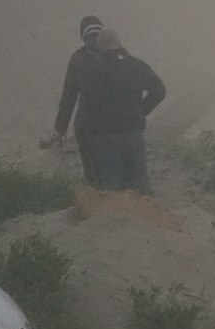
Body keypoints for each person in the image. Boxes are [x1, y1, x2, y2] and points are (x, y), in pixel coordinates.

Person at [83, 30, 165, 194]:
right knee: (139, 182)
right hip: (134, 130)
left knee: (112, 186)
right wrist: (140, 111)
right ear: (119, 43)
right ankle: (146, 215)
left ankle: (117, 216)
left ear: (100, 47)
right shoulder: (137, 65)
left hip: (106, 135)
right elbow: (159, 90)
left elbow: (88, 104)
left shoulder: (95, 71)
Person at [46, 15, 106, 183]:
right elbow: (69, 95)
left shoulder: (116, 54)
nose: (94, 40)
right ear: (83, 38)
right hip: (87, 124)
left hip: (113, 124)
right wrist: (60, 128)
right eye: (90, 36)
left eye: (97, 35)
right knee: (93, 172)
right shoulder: (77, 60)